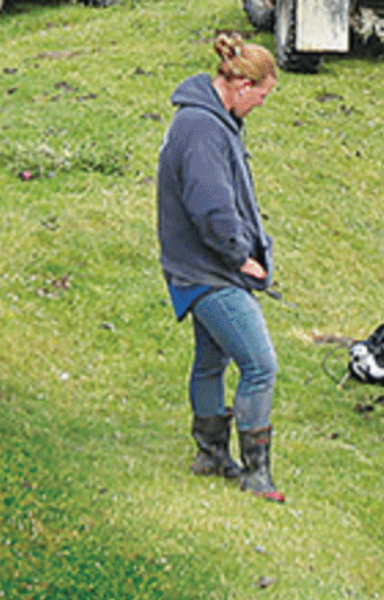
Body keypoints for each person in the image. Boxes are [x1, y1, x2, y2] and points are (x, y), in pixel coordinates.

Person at [155, 33, 284, 503]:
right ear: (242, 85)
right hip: (208, 272)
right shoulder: (203, 129)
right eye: (263, 97)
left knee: (211, 362)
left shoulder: (207, 121)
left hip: (196, 267)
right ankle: (256, 472)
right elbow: (211, 206)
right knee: (259, 364)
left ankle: (210, 454)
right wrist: (240, 257)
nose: (261, 106)